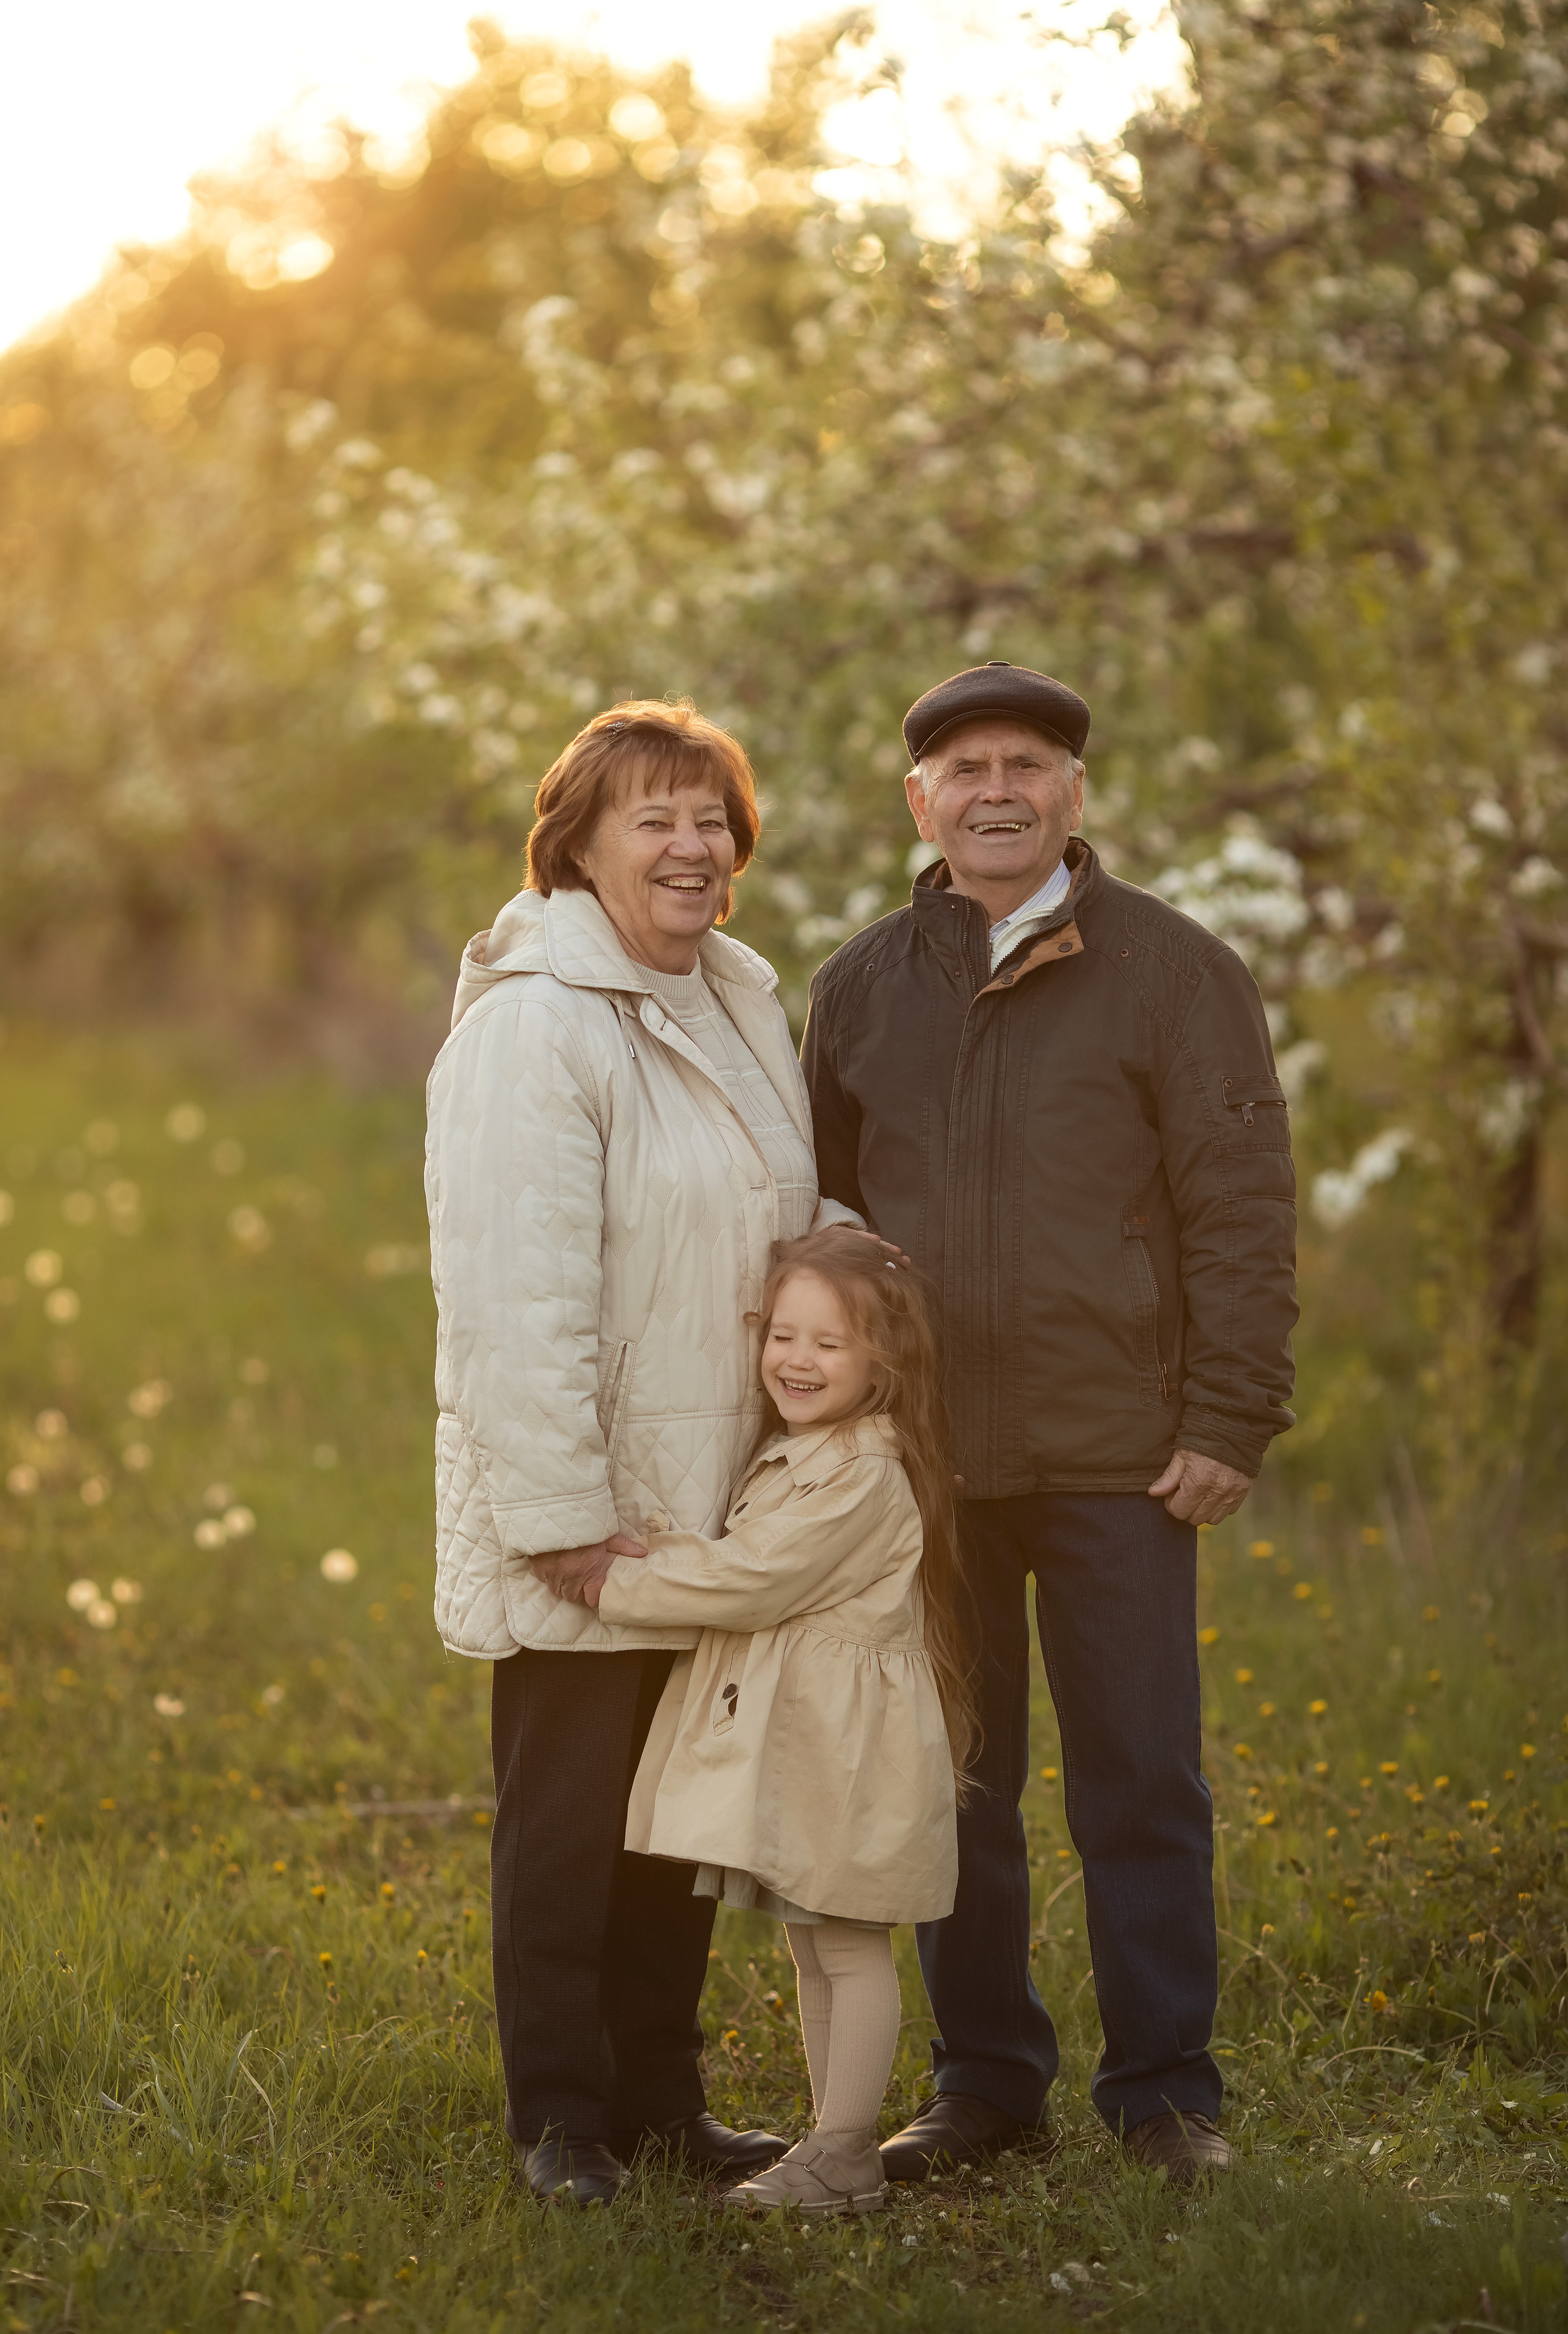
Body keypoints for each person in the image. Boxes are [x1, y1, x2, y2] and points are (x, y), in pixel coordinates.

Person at [801, 661, 1299, 2184]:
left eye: (1026, 764)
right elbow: (819, 1222)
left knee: (1138, 1780)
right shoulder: (862, 985)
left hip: (1118, 1458)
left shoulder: (1171, 971)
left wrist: (1226, 1415)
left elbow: (1238, 1207)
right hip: (928, 1468)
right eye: (965, 769)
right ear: (920, 803)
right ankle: (985, 2082)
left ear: (1073, 793)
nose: (996, 790)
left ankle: (1164, 2096)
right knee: (952, 1785)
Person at [425, 700, 860, 2207]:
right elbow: (509, 1289)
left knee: (680, 1817)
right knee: (567, 1820)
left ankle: (663, 2104)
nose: (689, 845)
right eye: (652, 818)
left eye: (710, 818)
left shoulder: (730, 993)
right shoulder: (537, 1021)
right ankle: (562, 2119)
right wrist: (560, 1518)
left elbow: (764, 1220)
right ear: (578, 841)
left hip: (712, 1502)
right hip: (591, 1505)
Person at [578, 1230, 973, 2215]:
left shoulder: (862, 1475)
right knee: (815, 1941)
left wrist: (608, 1578)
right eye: (783, 1335)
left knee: (846, 1941)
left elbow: (752, 1579)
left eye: (828, 1344)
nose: (797, 1360)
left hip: (847, 1748)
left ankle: (845, 2153)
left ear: (886, 1360)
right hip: (815, 1736)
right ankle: (830, 2138)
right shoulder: (812, 1452)